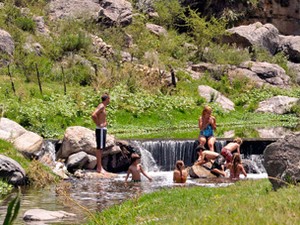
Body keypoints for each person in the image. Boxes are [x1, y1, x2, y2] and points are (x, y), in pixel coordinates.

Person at [91, 93, 110, 173]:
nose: (110, 100)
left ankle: (100, 166)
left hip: (102, 129)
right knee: (100, 148)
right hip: (100, 129)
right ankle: (99, 168)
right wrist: (99, 123)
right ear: (107, 99)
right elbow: (93, 115)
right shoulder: (101, 106)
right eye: (109, 99)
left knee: (101, 148)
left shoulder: (103, 106)